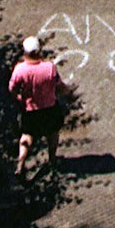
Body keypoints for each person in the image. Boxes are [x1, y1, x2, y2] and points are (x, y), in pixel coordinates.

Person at [9, 37, 70, 176]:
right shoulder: (49, 68)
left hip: (30, 110)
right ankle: (52, 160)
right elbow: (59, 86)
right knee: (53, 133)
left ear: (25, 52)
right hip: (50, 108)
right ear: (39, 51)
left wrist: (18, 99)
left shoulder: (20, 70)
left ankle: (20, 163)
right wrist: (68, 93)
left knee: (27, 136)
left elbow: (12, 88)